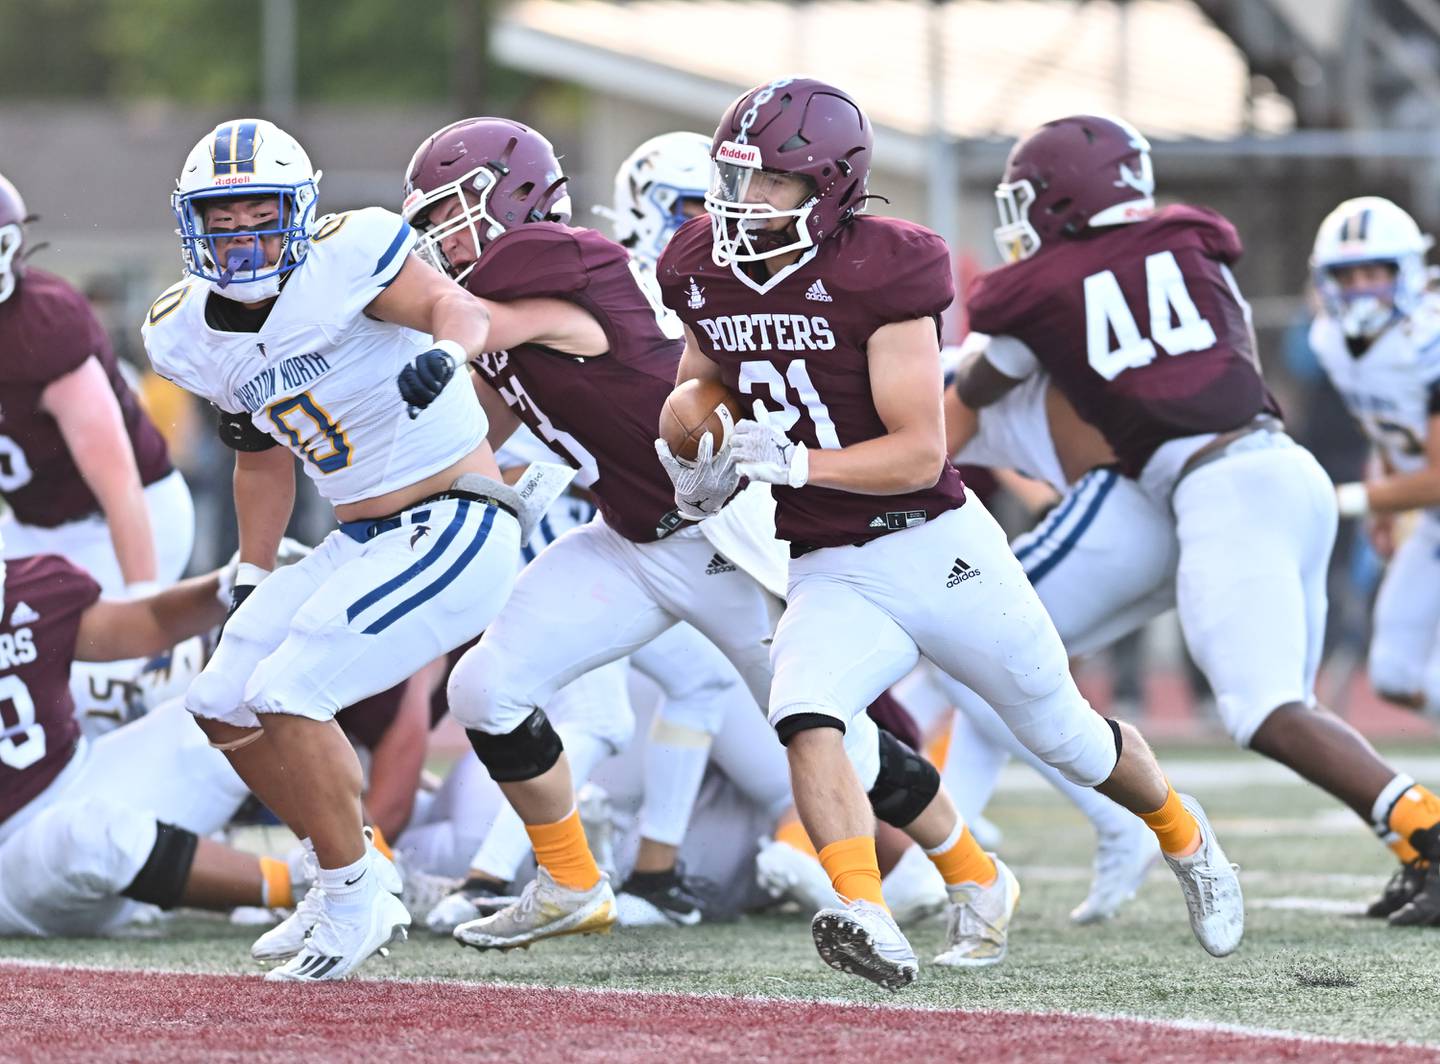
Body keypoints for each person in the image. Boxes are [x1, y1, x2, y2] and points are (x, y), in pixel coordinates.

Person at [659, 78, 1243, 989]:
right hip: (826, 560)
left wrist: (794, 463)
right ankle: (865, 910)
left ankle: (1185, 834)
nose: (744, 204)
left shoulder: (882, 268)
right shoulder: (702, 261)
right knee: (806, 714)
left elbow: (919, 453)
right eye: (738, 179)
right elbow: (705, 377)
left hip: (934, 545)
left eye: (772, 183)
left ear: (830, 186)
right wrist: (697, 448)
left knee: (1068, 738)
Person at [953, 113, 1440, 930]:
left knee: (1264, 709)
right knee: (1292, 705)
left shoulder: (1032, 289)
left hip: (1221, 485)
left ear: (1061, 197)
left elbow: (975, 388)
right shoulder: (1188, 235)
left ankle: (1430, 831)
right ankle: (1414, 843)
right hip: (1283, 471)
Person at [140, 117, 528, 982]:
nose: (242, 236)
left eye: (259, 214)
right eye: (223, 219)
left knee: (290, 690)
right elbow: (260, 456)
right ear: (190, 225)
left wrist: (449, 352)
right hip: (356, 536)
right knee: (222, 699)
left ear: (300, 212)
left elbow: (453, 305)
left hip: (453, 515)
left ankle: (356, 892)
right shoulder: (184, 334)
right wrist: (249, 567)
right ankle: (343, 867)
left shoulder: (352, 256)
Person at [397, 116, 791, 950]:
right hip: (609, 532)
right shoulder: (553, 278)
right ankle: (556, 874)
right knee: (509, 695)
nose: (703, 226)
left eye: (710, 208)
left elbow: (477, 330)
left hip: (707, 527)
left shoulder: (586, 266)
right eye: (685, 206)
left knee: (810, 714)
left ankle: (945, 865)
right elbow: (481, 425)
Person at [0, 546, 298, 937]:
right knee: (84, 836)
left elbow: (150, 622)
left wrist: (231, 584)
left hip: (74, 778)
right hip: (14, 868)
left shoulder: (30, 586)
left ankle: (361, 858)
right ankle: (305, 885)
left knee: (236, 704)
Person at [1308, 196, 1440, 922]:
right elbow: (1390, 425)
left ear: (1410, 273)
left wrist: (1361, 499)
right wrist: (1388, 500)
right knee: (1392, 672)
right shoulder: (1334, 340)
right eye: (1347, 275)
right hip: (1429, 516)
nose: (1361, 289)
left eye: (1375, 273)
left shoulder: (1431, 338)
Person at [0, 172, 193, 596]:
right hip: (33, 526)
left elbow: (119, 483)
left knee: (78, 654)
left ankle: (170, 657)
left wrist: (143, 609)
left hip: (119, 520)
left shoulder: (42, 328)